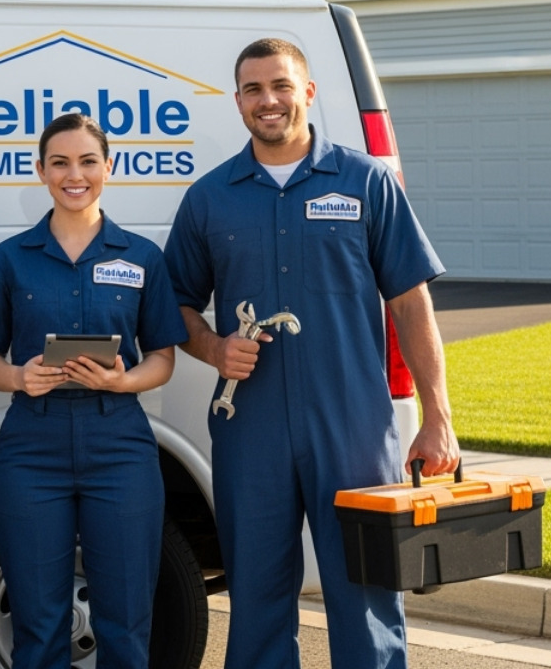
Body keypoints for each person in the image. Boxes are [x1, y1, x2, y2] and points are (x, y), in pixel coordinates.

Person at [163, 38, 458, 669]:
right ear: (237, 100)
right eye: (252, 89)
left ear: (308, 92)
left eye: (280, 86)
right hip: (252, 429)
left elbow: (411, 304)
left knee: (367, 590)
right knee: (259, 592)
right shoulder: (210, 197)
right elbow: (173, 308)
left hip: (352, 425)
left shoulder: (366, 181)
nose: (267, 101)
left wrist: (438, 418)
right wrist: (215, 348)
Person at [0, 112, 189, 669]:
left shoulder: (140, 257)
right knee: (38, 627)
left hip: (120, 444)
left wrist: (123, 379)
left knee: (126, 622)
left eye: (88, 161)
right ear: (40, 170)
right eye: (59, 162)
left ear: (108, 167)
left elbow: (163, 357)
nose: (74, 174)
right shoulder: (11, 259)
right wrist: (18, 377)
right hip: (31, 448)